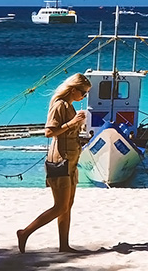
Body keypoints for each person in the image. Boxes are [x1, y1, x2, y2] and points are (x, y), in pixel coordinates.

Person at [17, 73, 92, 253]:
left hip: (71, 161)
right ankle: (25, 232)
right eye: (83, 93)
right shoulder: (59, 105)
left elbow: (66, 133)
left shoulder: (70, 106)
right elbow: (50, 132)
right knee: (60, 206)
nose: (84, 97)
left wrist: (79, 134)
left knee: (68, 206)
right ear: (73, 90)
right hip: (60, 160)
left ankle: (64, 245)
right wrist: (73, 123)